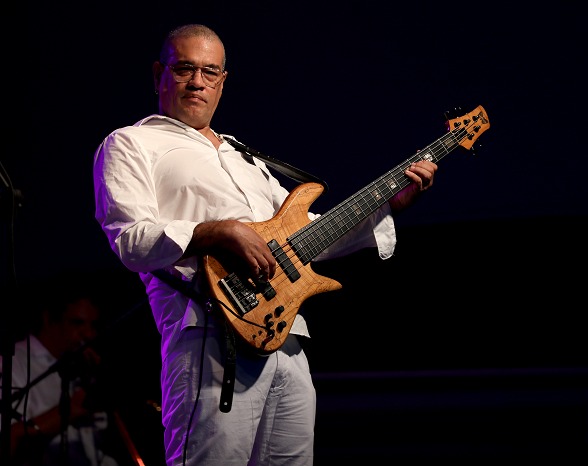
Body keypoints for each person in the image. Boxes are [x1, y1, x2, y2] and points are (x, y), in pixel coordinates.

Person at [92, 23, 437, 465]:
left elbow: (308, 238)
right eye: (184, 69)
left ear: (223, 81)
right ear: (159, 73)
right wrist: (215, 231)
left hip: (285, 335)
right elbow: (130, 240)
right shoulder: (131, 143)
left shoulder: (243, 157)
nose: (197, 81)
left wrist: (389, 206)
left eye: (209, 72)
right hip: (209, 336)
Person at [0, 277, 121, 466]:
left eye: (93, 325)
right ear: (49, 319)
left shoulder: (84, 365)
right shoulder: (12, 364)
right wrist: (69, 410)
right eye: (77, 323)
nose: (89, 334)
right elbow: (8, 440)